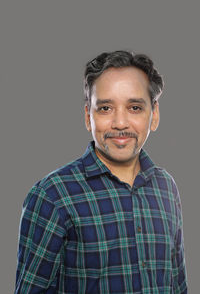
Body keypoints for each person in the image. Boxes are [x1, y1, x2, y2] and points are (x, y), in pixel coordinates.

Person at [15, 50, 187, 293]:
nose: (120, 123)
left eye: (135, 107)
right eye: (105, 108)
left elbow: (177, 284)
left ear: (154, 115)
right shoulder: (53, 196)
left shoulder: (166, 188)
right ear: (88, 116)